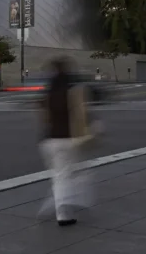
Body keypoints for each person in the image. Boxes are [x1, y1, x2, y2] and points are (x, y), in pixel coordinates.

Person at [38, 58, 93, 226]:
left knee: (60, 175)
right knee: (68, 175)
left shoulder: (48, 93)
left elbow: (44, 117)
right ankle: (61, 210)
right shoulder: (73, 91)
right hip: (67, 139)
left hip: (49, 140)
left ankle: (60, 206)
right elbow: (82, 114)